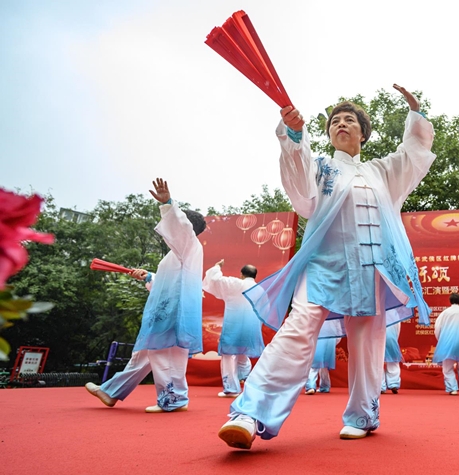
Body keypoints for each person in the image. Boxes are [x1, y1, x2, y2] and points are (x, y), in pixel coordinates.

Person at [217, 84, 435, 449]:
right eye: (336, 120)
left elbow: (412, 152)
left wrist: (415, 113)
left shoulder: (383, 171)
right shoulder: (321, 167)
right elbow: (301, 191)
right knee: (297, 330)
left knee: (368, 341)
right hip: (323, 266)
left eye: (350, 119)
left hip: (373, 269)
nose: (342, 124)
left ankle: (362, 416)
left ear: (363, 133)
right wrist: (294, 136)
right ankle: (250, 413)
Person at [85, 178, 206, 413]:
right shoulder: (177, 254)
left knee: (164, 353)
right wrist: (149, 277)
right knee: (143, 355)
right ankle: (111, 392)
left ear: (187, 227)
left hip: (172, 311)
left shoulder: (188, 244)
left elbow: (180, 227)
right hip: (165, 308)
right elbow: (168, 281)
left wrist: (168, 204)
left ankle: (175, 399)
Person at [202, 259, 265, 398]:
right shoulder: (260, 290)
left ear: (242, 274)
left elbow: (215, 279)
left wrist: (217, 267)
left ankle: (231, 388)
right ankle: (245, 376)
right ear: (255, 276)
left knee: (228, 355)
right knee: (243, 352)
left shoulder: (236, 284)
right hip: (251, 328)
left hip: (234, 325)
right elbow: (264, 311)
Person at [305, 324, 341, 395]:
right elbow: (339, 331)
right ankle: (325, 386)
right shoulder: (334, 314)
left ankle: (311, 386)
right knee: (325, 364)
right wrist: (334, 342)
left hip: (319, 335)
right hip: (331, 337)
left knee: (314, 363)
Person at [381, 323, 402, 394]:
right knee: (393, 361)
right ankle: (394, 383)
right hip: (392, 338)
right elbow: (397, 330)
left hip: (377, 338)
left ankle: (380, 386)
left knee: (376, 362)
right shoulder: (394, 313)